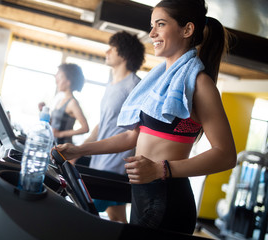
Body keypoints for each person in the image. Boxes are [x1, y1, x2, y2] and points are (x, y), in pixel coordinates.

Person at [56, 0, 237, 235]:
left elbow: (226, 155)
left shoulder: (200, 84)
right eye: (152, 26)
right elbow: (134, 136)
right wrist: (81, 150)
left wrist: (162, 170)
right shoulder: (160, 82)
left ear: (187, 30)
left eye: (160, 25)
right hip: (142, 194)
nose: (151, 33)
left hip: (168, 199)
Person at [81, 31, 145, 223]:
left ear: (123, 53)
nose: (107, 51)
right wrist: (80, 149)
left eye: (112, 47)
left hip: (115, 167)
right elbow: (104, 122)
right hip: (99, 163)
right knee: (117, 218)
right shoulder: (111, 83)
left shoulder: (135, 86)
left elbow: (137, 131)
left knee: (83, 214)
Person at [41, 63, 89, 144]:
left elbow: (85, 128)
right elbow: (54, 125)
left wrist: (60, 134)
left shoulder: (72, 103)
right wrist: (42, 112)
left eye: (60, 77)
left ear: (68, 82)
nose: (57, 81)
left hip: (63, 147)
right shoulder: (60, 100)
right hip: (53, 144)